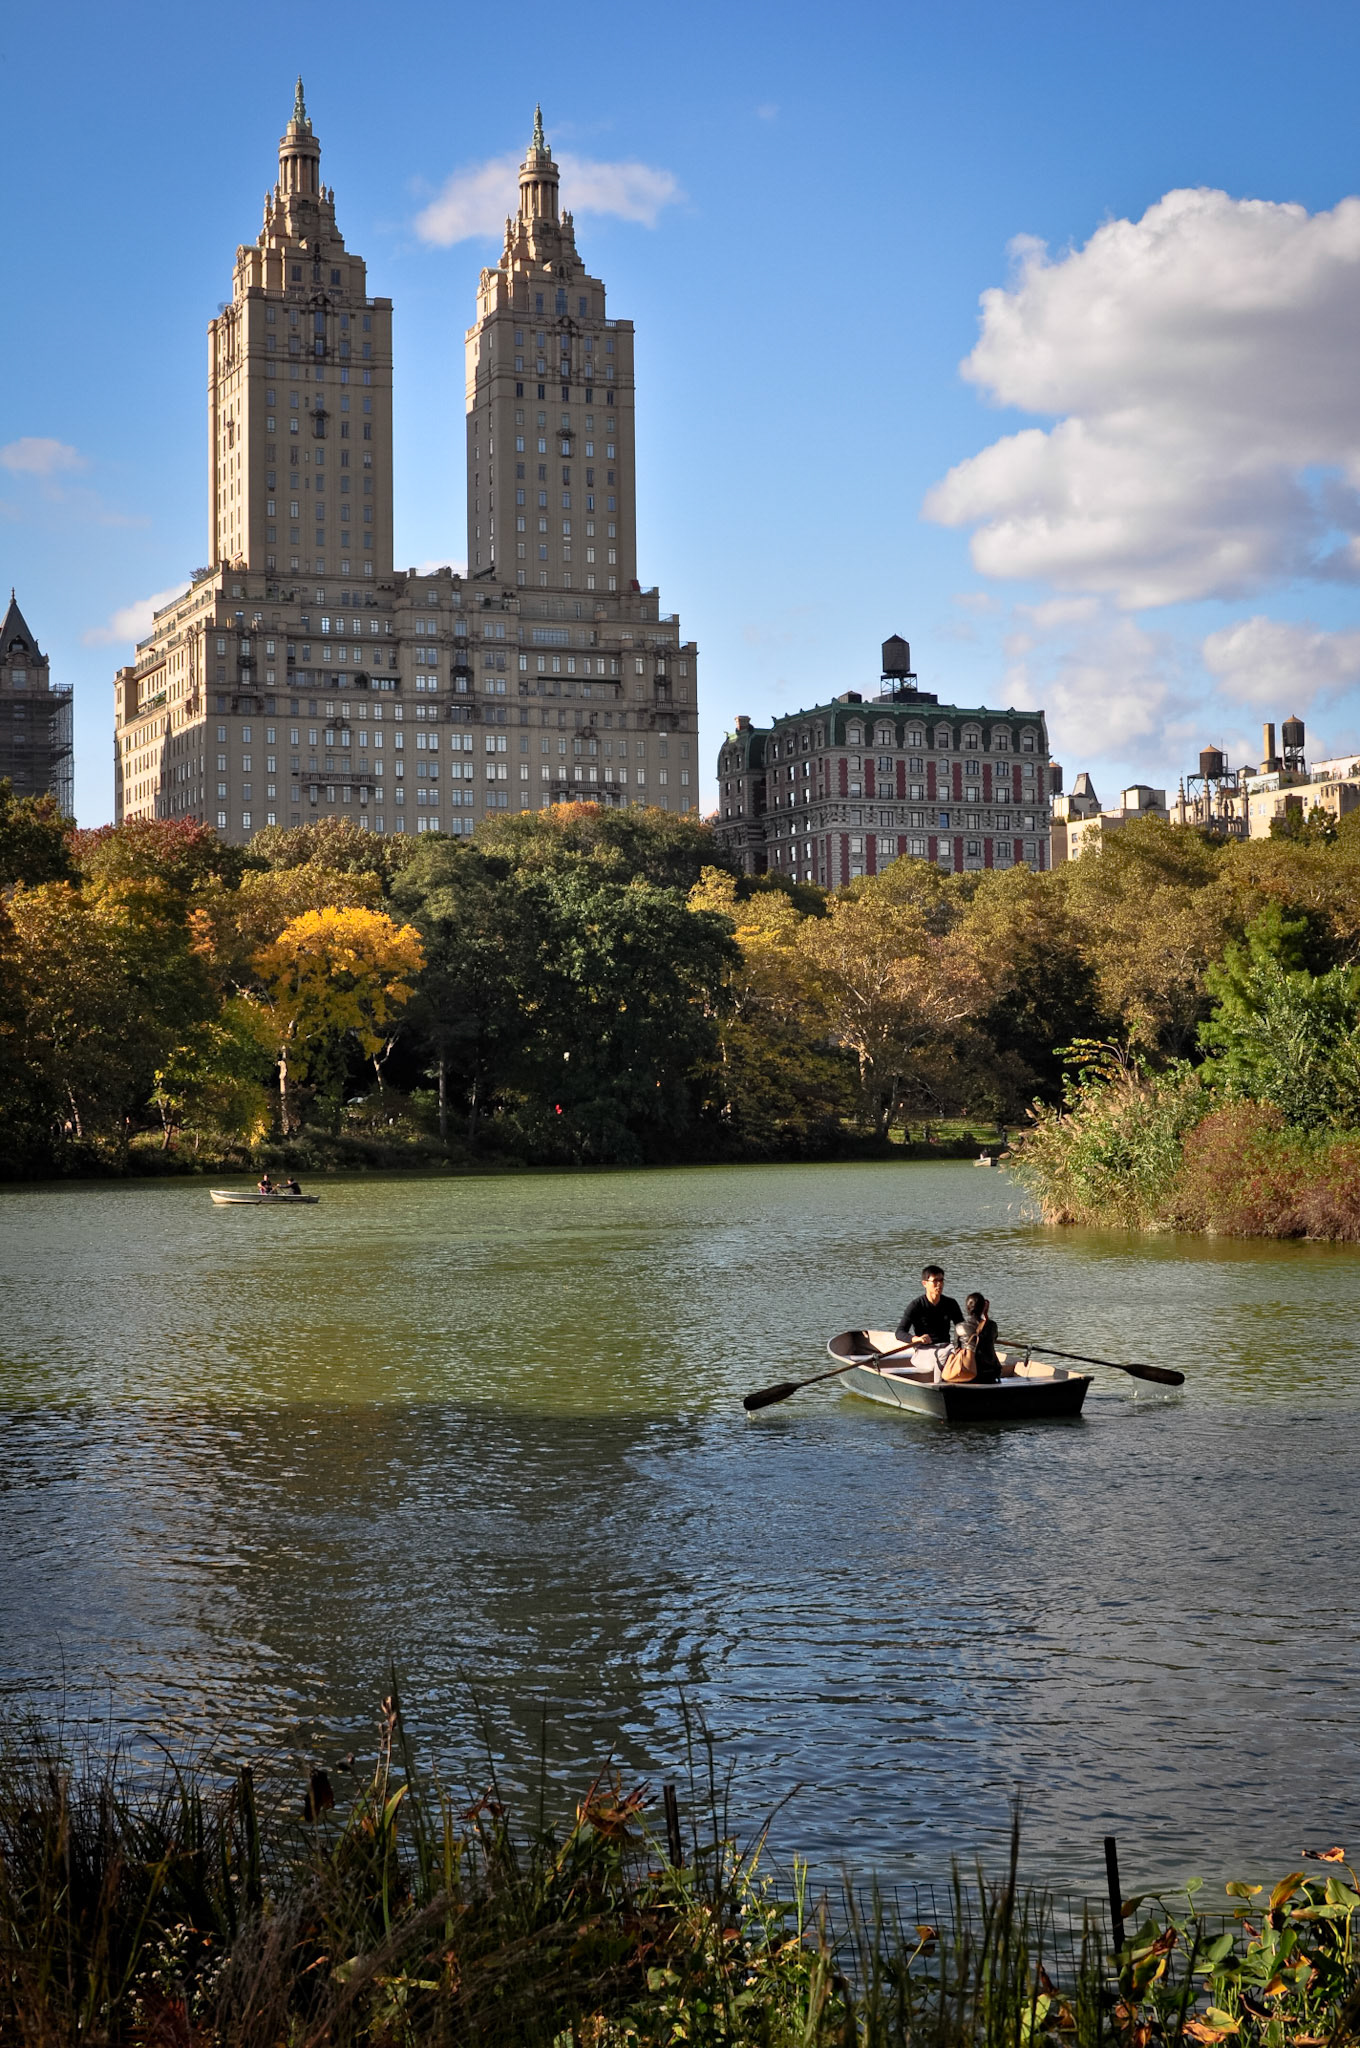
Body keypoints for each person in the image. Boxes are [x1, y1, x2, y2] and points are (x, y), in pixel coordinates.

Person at [895, 1265, 964, 1350]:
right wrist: (917, 1339)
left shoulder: (951, 1303)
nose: (939, 1284)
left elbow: (962, 1327)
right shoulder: (916, 1305)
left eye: (941, 1280)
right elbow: (899, 1332)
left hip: (946, 1347)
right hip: (924, 1348)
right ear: (924, 1283)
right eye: (935, 1281)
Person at [960, 1292, 1002, 1383]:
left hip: (970, 1374)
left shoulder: (960, 1327)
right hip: (992, 1373)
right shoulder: (992, 1325)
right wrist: (986, 1315)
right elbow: (993, 1339)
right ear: (983, 1308)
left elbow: (957, 1348)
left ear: (967, 1308)